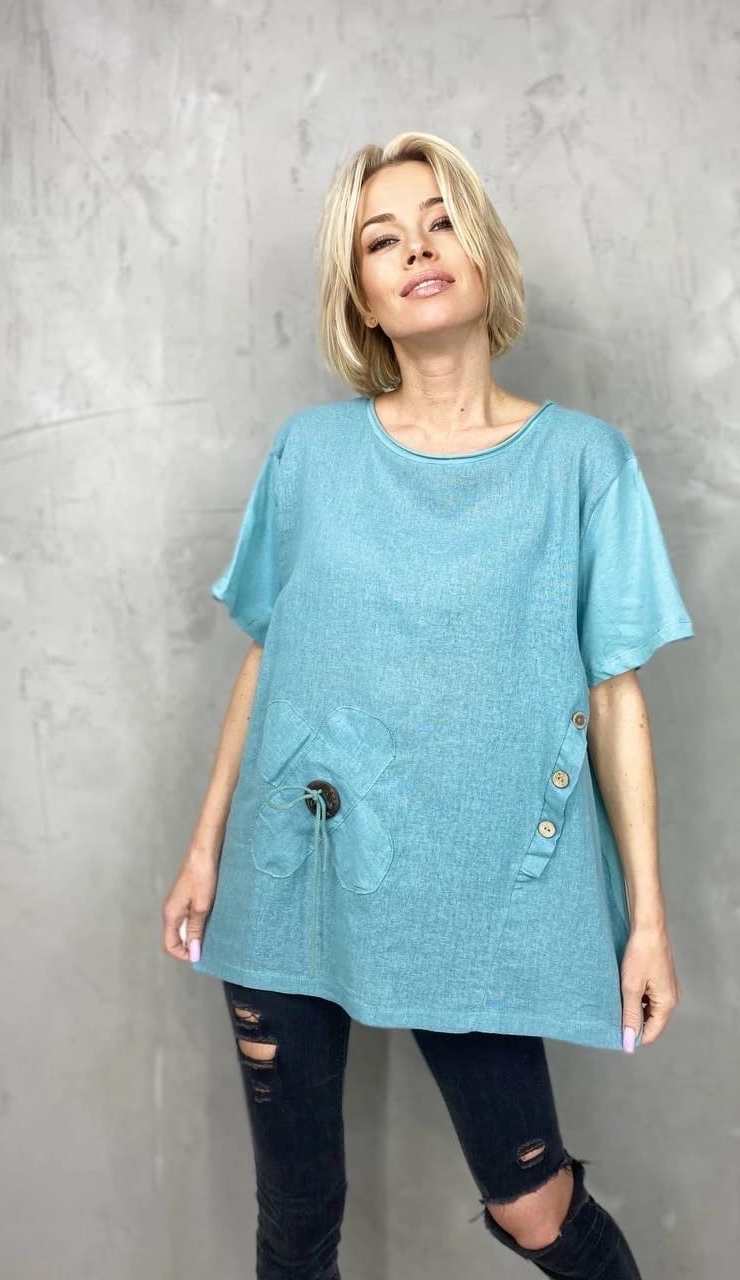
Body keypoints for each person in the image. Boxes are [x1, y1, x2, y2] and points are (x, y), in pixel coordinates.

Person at [162, 130, 695, 1279]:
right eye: (382, 238)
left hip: (478, 890)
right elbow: (270, 657)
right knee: (297, 1220)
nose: (418, 248)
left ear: (484, 252)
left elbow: (615, 693)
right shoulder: (309, 453)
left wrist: (646, 916)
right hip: (293, 871)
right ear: (360, 296)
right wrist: (206, 847)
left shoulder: (584, 463)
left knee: (536, 1206)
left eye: (441, 220)